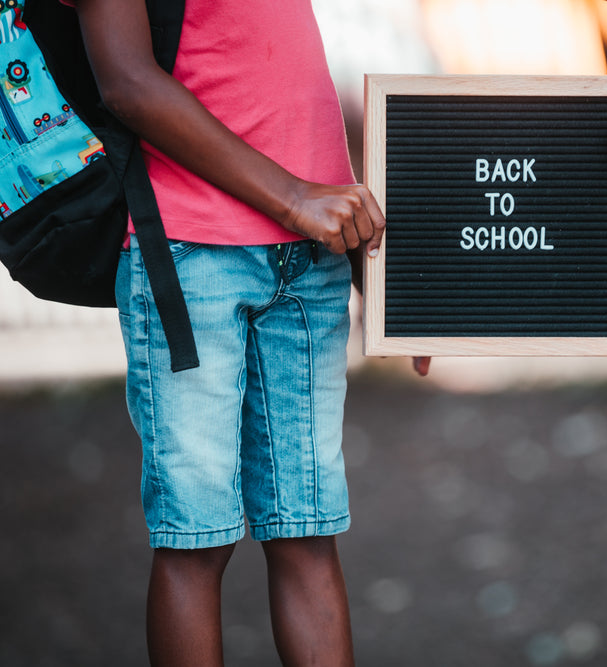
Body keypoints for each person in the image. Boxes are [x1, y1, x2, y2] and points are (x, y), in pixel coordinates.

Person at [72, 0, 422, 664]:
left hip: (310, 257)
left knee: (307, 530)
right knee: (195, 538)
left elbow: (293, 88)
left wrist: (383, 282)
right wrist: (292, 195)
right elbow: (125, 80)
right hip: (189, 253)